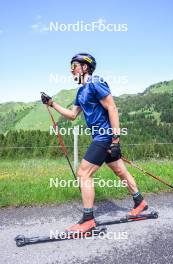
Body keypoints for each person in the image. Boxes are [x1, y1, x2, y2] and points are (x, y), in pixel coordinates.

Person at [41, 53, 148, 233]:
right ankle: (140, 202)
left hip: (104, 136)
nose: (71, 69)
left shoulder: (95, 83)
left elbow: (112, 107)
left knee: (83, 173)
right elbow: (73, 115)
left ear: (85, 67)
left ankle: (88, 220)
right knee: (120, 171)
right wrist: (52, 103)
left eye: (74, 65)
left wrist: (115, 139)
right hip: (100, 137)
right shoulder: (81, 91)